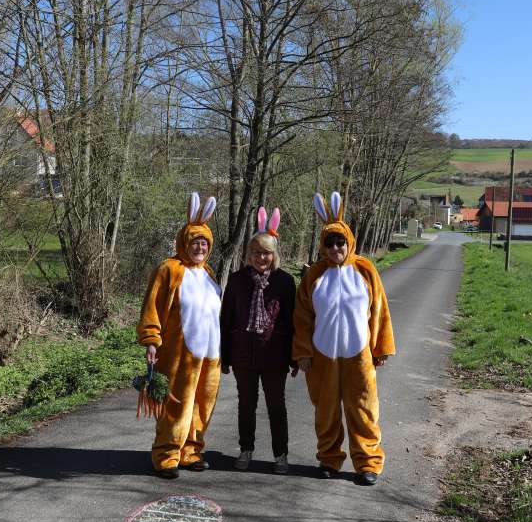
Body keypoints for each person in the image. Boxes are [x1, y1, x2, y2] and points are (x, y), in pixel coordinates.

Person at [292, 191, 395, 485]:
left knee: (363, 409)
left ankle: (368, 462)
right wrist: (302, 353)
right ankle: (329, 459)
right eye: (329, 242)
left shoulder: (364, 269)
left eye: (340, 241)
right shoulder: (314, 275)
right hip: (323, 355)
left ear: (349, 242)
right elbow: (302, 317)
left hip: (358, 354)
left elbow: (380, 310)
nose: (335, 247)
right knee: (326, 411)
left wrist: (381, 346)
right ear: (322, 245)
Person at [137, 192, 221, 479]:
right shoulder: (169, 269)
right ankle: (166, 454)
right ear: (184, 242)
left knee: (202, 406)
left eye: (204, 243)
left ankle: (190, 451)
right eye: (195, 242)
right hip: (179, 353)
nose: (199, 247)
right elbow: (152, 307)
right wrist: (151, 340)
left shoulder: (208, 273)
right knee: (176, 405)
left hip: (210, 355)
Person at [220, 207, 297, 474]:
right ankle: (246, 449)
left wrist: (295, 357)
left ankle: (281, 454)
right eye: (256, 252)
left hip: (275, 356)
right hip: (244, 355)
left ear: (274, 255)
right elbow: (226, 319)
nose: (260, 257)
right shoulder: (237, 281)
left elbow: (292, 322)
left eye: (266, 252)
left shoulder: (285, 282)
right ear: (248, 254)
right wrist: (225, 356)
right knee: (246, 405)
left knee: (277, 406)